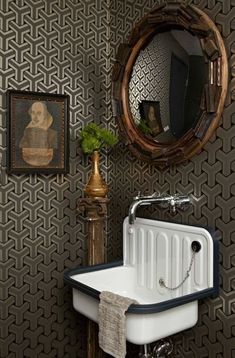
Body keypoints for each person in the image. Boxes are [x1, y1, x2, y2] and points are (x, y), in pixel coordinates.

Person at [19, 101, 57, 167]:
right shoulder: (27, 131)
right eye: (33, 113)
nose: (35, 117)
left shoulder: (52, 134)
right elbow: (22, 147)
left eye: (39, 113)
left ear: (44, 115)